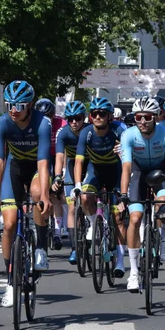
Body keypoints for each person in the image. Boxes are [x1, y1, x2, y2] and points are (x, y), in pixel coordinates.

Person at [0, 80, 53, 307]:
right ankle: (10, 281)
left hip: (36, 167)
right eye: (9, 105)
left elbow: (43, 162)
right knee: (9, 224)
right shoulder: (2, 124)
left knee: (36, 194)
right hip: (14, 168)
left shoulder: (42, 123)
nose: (13, 111)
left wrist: (45, 195)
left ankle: (41, 246)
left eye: (19, 106)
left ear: (30, 105)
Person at [119, 97, 165, 292]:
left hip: (160, 171)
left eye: (147, 117)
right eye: (138, 117)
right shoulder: (128, 135)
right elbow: (126, 167)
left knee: (163, 204)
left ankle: (164, 239)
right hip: (138, 172)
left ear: (155, 117)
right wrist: (122, 195)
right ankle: (134, 272)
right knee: (135, 219)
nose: (142, 121)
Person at [73, 97, 128, 279]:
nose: (98, 117)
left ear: (109, 116)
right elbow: (79, 161)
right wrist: (78, 185)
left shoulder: (119, 130)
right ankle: (92, 222)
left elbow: (127, 159)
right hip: (95, 171)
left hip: (116, 172)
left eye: (102, 113)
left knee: (118, 217)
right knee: (85, 197)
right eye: (94, 114)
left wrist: (123, 151)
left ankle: (120, 261)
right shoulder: (86, 133)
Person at [53, 100, 88, 265]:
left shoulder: (89, 130)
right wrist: (58, 176)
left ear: (84, 118)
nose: (74, 122)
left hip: (90, 164)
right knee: (72, 206)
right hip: (72, 164)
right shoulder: (63, 133)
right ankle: (75, 248)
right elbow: (59, 157)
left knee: (90, 198)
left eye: (78, 118)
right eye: (71, 118)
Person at [36, 97, 67, 249]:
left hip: (57, 157)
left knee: (55, 195)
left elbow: (64, 151)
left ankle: (57, 233)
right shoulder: (34, 123)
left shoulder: (61, 124)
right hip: (42, 157)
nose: (46, 120)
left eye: (49, 116)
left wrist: (61, 174)